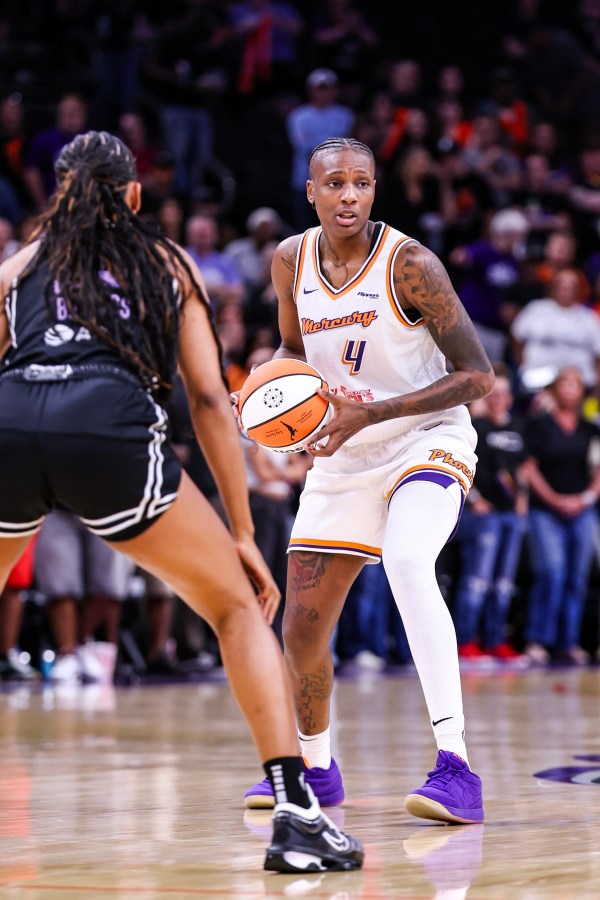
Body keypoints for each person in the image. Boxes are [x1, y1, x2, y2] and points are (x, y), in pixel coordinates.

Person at [0, 130, 362, 873]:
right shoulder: (164, 261)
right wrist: (239, 530)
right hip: (104, 429)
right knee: (235, 608)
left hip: (10, 420)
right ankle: (295, 814)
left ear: (60, 195)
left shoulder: (20, 267)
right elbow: (205, 395)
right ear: (134, 197)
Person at [240, 137, 494, 824]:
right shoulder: (290, 259)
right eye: (335, 184)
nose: (349, 195)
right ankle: (316, 773)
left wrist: (371, 413)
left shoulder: (411, 264)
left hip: (424, 438)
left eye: (361, 183)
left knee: (410, 562)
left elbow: (478, 375)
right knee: (300, 627)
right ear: (311, 191)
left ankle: (456, 767)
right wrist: (271, 390)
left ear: (375, 190)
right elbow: (294, 349)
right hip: (342, 450)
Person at [521, 366, 600, 666]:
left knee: (577, 578)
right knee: (551, 572)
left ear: (582, 391)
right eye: (564, 382)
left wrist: (587, 497)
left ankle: (569, 642)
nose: (569, 387)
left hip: (582, 510)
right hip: (546, 511)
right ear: (555, 389)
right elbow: (528, 467)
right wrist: (554, 500)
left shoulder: (589, 427)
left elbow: (597, 468)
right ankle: (538, 640)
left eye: (575, 382)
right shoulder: (540, 425)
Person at [452, 363, 529, 663]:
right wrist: (475, 499)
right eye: (494, 393)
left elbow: (521, 469)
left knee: (503, 583)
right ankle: (466, 641)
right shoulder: (477, 428)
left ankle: (496, 641)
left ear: (511, 398)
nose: (500, 399)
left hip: (511, 516)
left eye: (506, 393)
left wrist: (523, 498)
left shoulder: (518, 427)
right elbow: (462, 463)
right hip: (485, 517)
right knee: (476, 580)